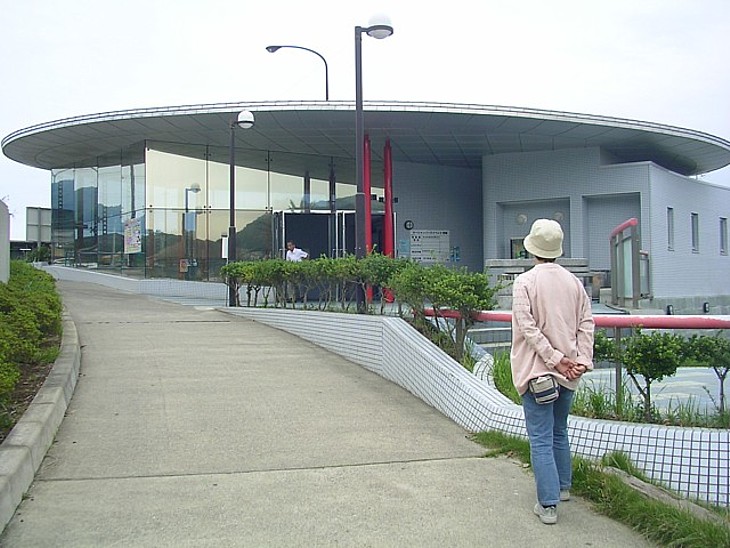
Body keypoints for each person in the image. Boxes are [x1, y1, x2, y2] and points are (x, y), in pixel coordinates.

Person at [510, 218, 594, 525]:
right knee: (560, 430)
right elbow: (586, 324)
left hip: (538, 374)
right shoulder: (574, 283)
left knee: (541, 438)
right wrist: (581, 360)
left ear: (532, 248)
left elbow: (528, 328)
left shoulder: (525, 282)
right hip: (569, 373)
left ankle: (548, 505)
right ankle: (563, 487)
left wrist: (554, 359)